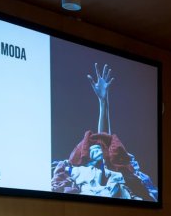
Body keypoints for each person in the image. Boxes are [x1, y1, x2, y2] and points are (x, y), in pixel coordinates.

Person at [51, 63, 157, 201]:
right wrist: (103, 102)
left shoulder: (115, 177)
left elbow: (106, 146)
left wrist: (103, 102)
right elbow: (105, 145)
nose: (99, 149)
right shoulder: (79, 174)